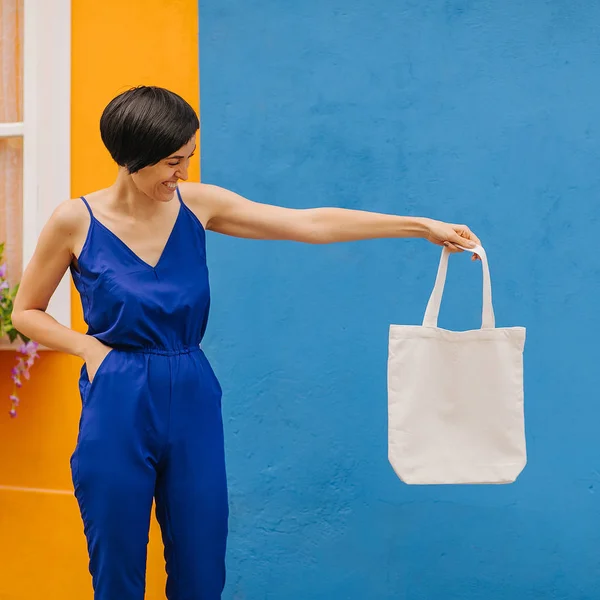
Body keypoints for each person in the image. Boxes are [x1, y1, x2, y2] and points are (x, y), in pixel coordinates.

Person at [11, 86, 481, 600]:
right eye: (172, 161)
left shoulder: (199, 206)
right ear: (134, 157)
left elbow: (308, 224)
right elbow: (26, 311)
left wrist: (419, 227)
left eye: (188, 158)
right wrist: (89, 349)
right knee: (117, 568)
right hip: (117, 393)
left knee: (201, 565)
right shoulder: (75, 221)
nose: (182, 173)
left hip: (191, 389)